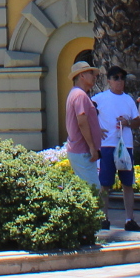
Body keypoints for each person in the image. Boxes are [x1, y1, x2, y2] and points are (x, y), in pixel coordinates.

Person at [91, 65, 140, 232]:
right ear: (109, 81)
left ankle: (129, 219)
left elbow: (138, 121)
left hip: (125, 145)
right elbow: (86, 113)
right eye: (116, 78)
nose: (119, 81)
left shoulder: (128, 99)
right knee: (104, 183)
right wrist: (97, 130)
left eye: (122, 78)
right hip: (107, 145)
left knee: (127, 183)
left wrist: (127, 122)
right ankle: (103, 218)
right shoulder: (100, 98)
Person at [63, 58, 101, 191]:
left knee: (89, 190)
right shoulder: (80, 95)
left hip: (79, 151)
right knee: (94, 192)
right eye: (91, 73)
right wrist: (92, 147)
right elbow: (82, 122)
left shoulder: (76, 93)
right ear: (82, 75)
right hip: (83, 151)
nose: (94, 77)